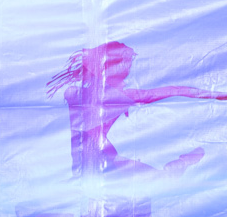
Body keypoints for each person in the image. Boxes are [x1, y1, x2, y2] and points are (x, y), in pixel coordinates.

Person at [46, 41, 226, 178]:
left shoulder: (89, 93)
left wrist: (214, 95)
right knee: (161, 179)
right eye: (126, 61)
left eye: (129, 61)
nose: (129, 65)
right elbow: (173, 90)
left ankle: (181, 164)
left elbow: (173, 90)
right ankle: (181, 164)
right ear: (110, 65)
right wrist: (214, 95)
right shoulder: (87, 94)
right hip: (97, 161)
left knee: (160, 179)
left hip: (102, 159)